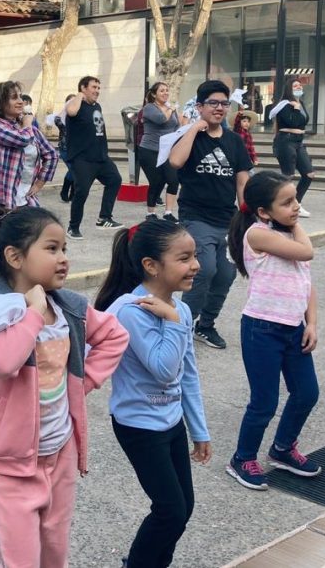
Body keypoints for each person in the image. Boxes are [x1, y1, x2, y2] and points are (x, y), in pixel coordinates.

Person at [0, 206, 127, 567]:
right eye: (52, 249)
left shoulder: (70, 307)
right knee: (19, 559)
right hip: (9, 465)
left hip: (60, 453)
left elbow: (115, 335)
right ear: (15, 257)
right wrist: (33, 315)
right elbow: (4, 362)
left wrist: (82, 383)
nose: (63, 259)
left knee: (54, 553)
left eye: (65, 249)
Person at [95, 219, 210, 568]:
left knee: (182, 508)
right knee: (170, 511)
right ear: (151, 265)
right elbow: (164, 370)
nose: (196, 265)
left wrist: (199, 429)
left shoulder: (181, 309)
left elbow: (187, 376)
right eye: (184, 258)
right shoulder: (131, 311)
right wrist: (174, 323)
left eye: (195, 256)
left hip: (170, 421)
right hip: (139, 426)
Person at [225, 171, 320, 491]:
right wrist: (295, 224)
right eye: (288, 202)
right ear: (263, 211)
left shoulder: (284, 233)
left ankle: (282, 448)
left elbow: (306, 282)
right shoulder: (258, 233)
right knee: (264, 401)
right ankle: (242, 458)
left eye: (296, 200)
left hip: (294, 328)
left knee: (307, 392)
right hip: (261, 329)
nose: (296, 207)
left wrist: (313, 324)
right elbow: (308, 252)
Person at [169, 80, 252, 350]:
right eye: (213, 103)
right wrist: (194, 128)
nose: (219, 108)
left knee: (226, 274)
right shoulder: (190, 136)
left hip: (227, 219)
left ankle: (205, 325)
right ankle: (183, 325)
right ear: (200, 107)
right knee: (204, 269)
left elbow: (242, 181)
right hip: (195, 216)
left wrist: (246, 217)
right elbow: (176, 162)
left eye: (224, 104)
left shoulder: (234, 141)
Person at [0, 81, 58, 217]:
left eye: (21, 97)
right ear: (1, 103)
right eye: (14, 97)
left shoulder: (31, 130)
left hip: (25, 200)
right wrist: (27, 124)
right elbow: (21, 140)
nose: (21, 101)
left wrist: (39, 183)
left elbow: (52, 155)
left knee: (29, 237)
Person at [64, 76, 124, 239]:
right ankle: (73, 227)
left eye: (98, 87)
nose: (97, 91)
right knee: (82, 192)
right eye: (94, 87)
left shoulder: (97, 106)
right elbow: (71, 112)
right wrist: (79, 95)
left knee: (115, 180)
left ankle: (104, 218)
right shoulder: (75, 104)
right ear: (83, 88)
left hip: (100, 156)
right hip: (82, 158)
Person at [268, 79, 314, 218]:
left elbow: (303, 122)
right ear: (289, 89)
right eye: (295, 86)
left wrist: (298, 107)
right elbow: (293, 122)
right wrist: (295, 108)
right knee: (288, 175)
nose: (299, 87)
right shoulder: (284, 105)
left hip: (299, 142)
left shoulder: (301, 103)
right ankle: (279, 203)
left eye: (300, 85)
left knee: (309, 174)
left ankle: (296, 203)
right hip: (286, 141)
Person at [138, 82, 182, 222]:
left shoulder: (171, 109)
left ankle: (168, 212)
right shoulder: (149, 108)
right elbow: (161, 119)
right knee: (157, 181)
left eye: (167, 90)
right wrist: (170, 109)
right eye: (162, 91)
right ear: (154, 94)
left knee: (173, 180)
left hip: (168, 151)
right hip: (149, 150)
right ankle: (151, 213)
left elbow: (176, 126)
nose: (165, 93)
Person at [46, 94, 77, 202]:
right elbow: (58, 122)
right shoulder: (61, 118)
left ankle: (73, 193)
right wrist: (65, 110)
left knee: (75, 170)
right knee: (73, 169)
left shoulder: (77, 117)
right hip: (65, 149)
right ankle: (65, 191)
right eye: (70, 102)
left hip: (76, 149)